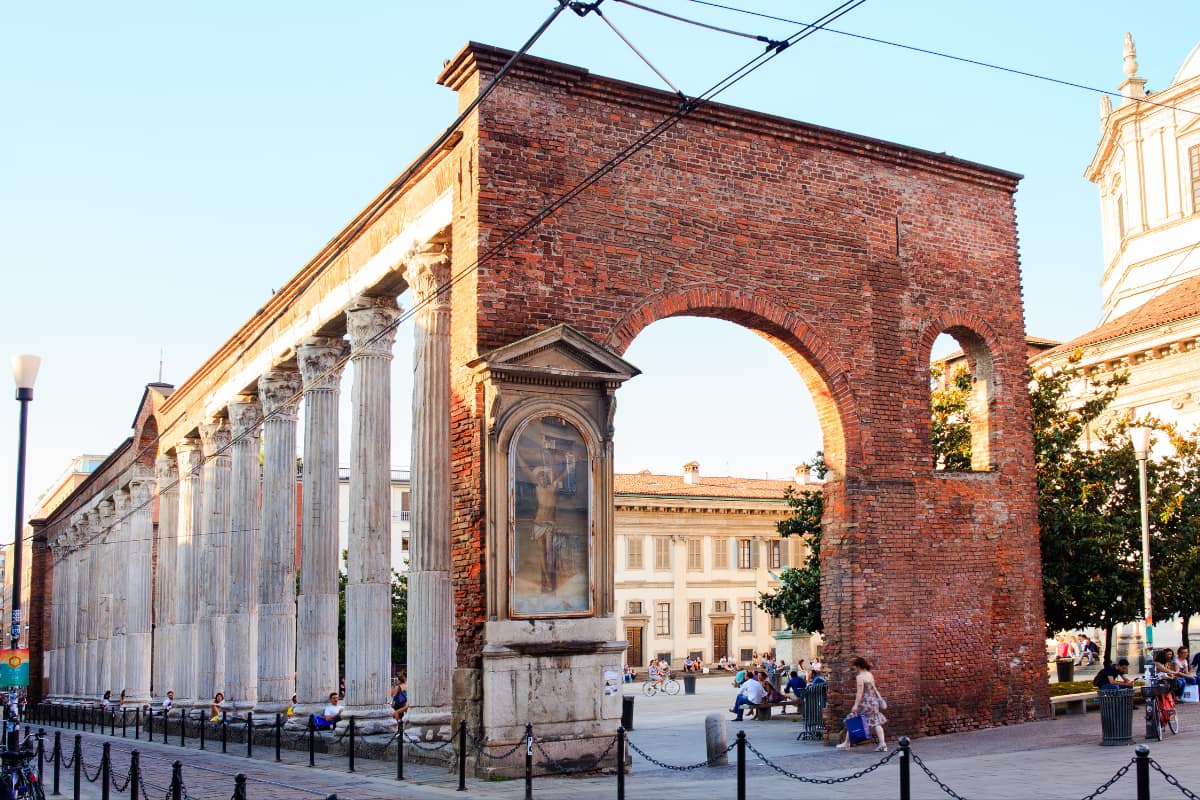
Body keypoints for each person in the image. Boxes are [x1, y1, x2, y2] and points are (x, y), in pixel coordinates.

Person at [837, 657, 887, 752]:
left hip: (864, 703)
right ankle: (882, 744)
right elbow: (874, 688)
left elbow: (860, 693)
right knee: (876, 722)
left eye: (855, 667)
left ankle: (846, 743)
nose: (854, 669)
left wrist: (855, 705)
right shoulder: (870, 674)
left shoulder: (860, 677)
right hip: (873, 702)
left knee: (852, 719)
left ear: (858, 666)